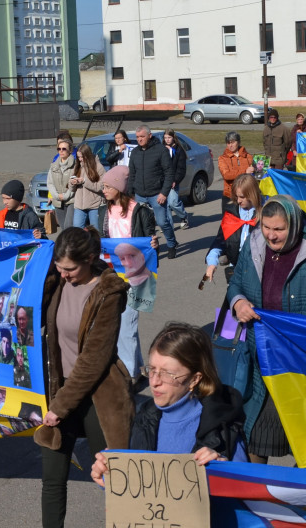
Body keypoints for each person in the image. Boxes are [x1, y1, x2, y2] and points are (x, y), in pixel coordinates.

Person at [226, 195, 306, 463]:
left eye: (279, 229)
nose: (271, 235)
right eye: (267, 227)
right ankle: (257, 496)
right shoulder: (254, 243)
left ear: (294, 224)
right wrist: (238, 301)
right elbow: (235, 285)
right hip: (259, 358)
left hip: (301, 364)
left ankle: (304, 497)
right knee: (256, 434)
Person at [38, 227, 133, 528]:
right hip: (59, 390)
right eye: (59, 267)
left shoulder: (108, 293)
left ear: (90, 259)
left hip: (98, 394)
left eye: (70, 269)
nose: (64, 274)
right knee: (52, 479)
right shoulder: (55, 281)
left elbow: (93, 360)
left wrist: (59, 407)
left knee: (114, 480)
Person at [89, 322, 247, 488]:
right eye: (152, 370)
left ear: (195, 379)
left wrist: (221, 471)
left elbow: (246, 492)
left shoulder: (222, 428)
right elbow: (132, 487)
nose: (155, 382)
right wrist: (108, 475)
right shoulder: (144, 418)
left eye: (167, 374)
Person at [99, 164, 158, 383]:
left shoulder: (139, 211)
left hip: (137, 276)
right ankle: (138, 366)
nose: (104, 190)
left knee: (127, 323)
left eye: (107, 186)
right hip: (113, 276)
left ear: (119, 187)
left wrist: (153, 243)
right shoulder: (102, 211)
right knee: (122, 323)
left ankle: (129, 375)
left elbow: (148, 242)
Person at [128, 124, 178, 259]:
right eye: (137, 137)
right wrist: (130, 193)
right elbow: (132, 174)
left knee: (162, 222)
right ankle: (150, 249)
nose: (139, 139)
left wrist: (164, 193)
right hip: (140, 194)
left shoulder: (160, 150)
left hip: (157, 194)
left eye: (142, 137)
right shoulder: (135, 153)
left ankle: (172, 243)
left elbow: (169, 173)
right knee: (143, 225)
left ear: (149, 136)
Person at [203, 173, 261, 285]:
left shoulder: (266, 214)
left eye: (242, 197)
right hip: (235, 270)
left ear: (252, 194)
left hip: (258, 273)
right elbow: (219, 242)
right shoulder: (231, 214)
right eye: (236, 196)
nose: (238, 201)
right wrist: (212, 263)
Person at [65, 143, 106, 230]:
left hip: (95, 205)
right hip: (79, 205)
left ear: (88, 155)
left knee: (96, 231)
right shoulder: (78, 166)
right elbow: (72, 189)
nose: (80, 159)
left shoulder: (98, 167)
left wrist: (84, 181)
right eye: (79, 157)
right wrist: (72, 183)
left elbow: (101, 187)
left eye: (82, 157)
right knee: (77, 230)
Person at [48, 137, 78, 230]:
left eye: (64, 149)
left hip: (71, 200)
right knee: (63, 228)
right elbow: (50, 183)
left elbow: (74, 184)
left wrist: (65, 196)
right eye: (59, 149)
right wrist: (56, 196)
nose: (61, 151)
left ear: (70, 150)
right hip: (58, 201)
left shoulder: (75, 165)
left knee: (68, 226)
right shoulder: (53, 166)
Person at [218, 131, 254, 210]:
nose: (230, 145)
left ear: (238, 142)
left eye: (232, 142)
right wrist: (245, 171)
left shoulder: (248, 156)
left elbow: (255, 173)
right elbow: (226, 175)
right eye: (228, 143)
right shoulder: (222, 158)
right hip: (230, 195)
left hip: (246, 195)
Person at [161, 129, 189, 230]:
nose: (167, 140)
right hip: (163, 181)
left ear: (173, 138)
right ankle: (169, 225)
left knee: (173, 202)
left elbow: (181, 169)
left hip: (173, 180)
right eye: (165, 138)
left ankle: (183, 216)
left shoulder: (178, 150)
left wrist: (175, 180)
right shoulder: (161, 149)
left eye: (169, 137)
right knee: (165, 204)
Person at [261, 108, 292, 174]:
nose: (273, 119)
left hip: (279, 159)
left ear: (277, 118)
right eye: (271, 117)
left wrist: (283, 153)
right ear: (269, 118)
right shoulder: (266, 128)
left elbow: (288, 143)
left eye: (274, 117)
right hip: (268, 158)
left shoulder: (284, 128)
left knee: (278, 176)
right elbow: (264, 142)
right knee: (269, 177)